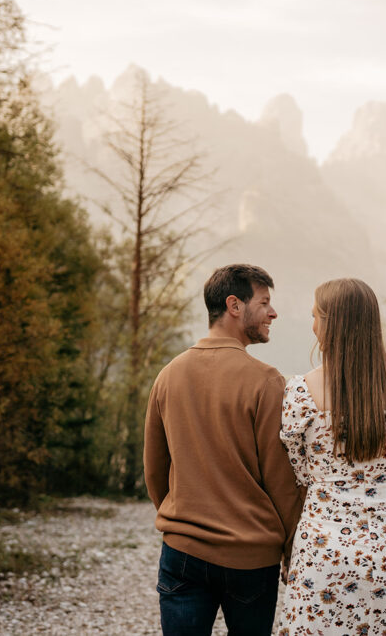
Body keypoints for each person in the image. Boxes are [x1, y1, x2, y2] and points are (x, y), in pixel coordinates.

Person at [143, 264, 303, 636]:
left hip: (182, 552)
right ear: (234, 305)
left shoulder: (169, 374)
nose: (273, 313)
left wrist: (184, 519)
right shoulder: (266, 381)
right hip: (250, 558)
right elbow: (280, 480)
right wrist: (292, 549)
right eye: (264, 303)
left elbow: (154, 468)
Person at [278, 278, 386, 635]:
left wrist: (290, 551)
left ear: (332, 323)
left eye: (316, 316)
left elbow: (298, 481)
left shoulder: (300, 392)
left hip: (321, 554)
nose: (313, 325)